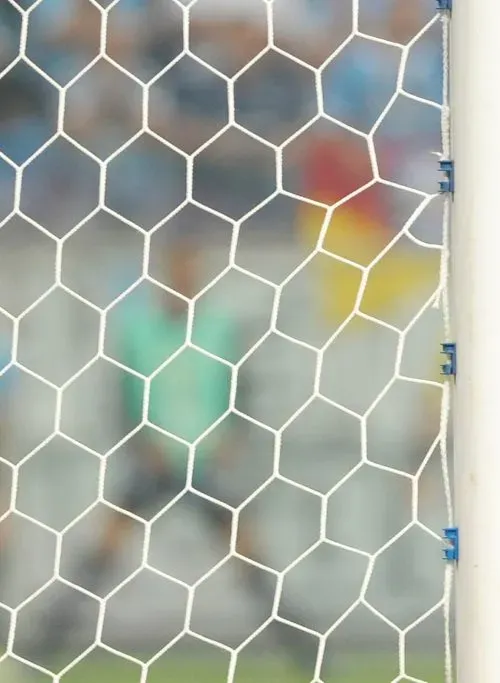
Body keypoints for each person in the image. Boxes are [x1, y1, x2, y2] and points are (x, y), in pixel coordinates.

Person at [27, 236, 317, 672]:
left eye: (191, 273)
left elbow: (243, 389)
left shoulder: (218, 329)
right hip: (156, 459)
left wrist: (232, 436)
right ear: (164, 277)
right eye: (177, 272)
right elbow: (123, 398)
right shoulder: (140, 330)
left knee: (248, 556)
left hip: (205, 460)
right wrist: (142, 445)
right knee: (103, 549)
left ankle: (306, 649)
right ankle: (43, 646)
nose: (183, 282)